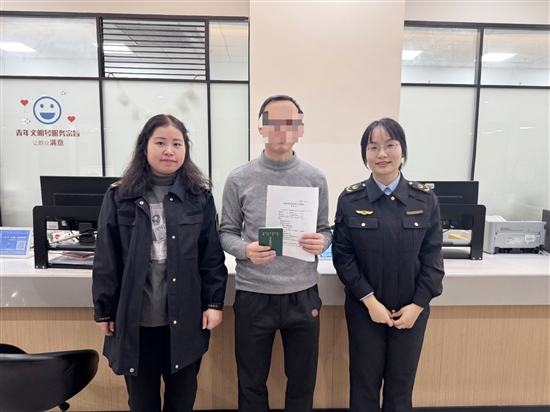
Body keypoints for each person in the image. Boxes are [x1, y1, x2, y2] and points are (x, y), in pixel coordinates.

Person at [92, 114, 228, 412]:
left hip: (186, 319)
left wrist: (214, 303)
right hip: (136, 321)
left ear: (185, 149)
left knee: (182, 401)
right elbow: (106, 258)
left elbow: (211, 256)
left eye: (177, 143)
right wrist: (104, 311)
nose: (169, 150)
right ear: (145, 148)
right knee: (142, 403)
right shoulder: (119, 197)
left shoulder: (199, 198)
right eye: (160, 143)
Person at [219, 95, 332, 412]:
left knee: (302, 384)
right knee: (251, 383)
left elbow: (326, 229)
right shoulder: (239, 178)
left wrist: (323, 242)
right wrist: (246, 250)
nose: (283, 130)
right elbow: (226, 233)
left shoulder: (315, 177)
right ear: (261, 128)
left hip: (302, 294)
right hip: (254, 295)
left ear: (300, 129)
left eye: (291, 123)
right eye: (274, 122)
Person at [332, 118, 445, 412]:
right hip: (364, 310)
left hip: (411, 310)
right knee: (364, 386)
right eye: (373, 147)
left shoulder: (424, 199)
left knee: (400, 388)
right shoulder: (350, 199)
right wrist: (370, 302)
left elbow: (433, 259)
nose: (382, 154)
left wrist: (417, 306)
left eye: (390, 145)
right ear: (365, 154)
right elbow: (343, 257)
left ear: (402, 150)